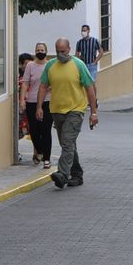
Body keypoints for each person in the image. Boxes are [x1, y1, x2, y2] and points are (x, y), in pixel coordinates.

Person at [37, 38, 97, 189]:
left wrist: (94, 112)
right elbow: (43, 86)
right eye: (57, 51)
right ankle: (76, 174)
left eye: (63, 51)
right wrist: (39, 107)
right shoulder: (51, 65)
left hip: (75, 110)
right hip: (57, 110)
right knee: (68, 144)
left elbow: (89, 87)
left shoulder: (78, 65)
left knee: (67, 142)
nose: (60, 54)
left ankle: (62, 174)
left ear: (69, 49)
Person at [21, 42, 51, 167]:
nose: (40, 51)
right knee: (33, 130)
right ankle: (39, 150)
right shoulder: (30, 66)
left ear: (46, 51)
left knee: (45, 130)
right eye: (38, 49)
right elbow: (25, 83)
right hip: (32, 101)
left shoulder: (50, 65)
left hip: (47, 101)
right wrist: (22, 99)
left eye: (42, 49)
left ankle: (47, 158)